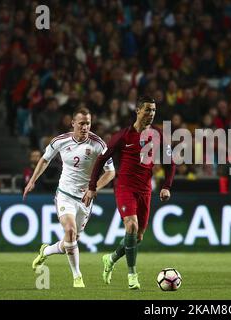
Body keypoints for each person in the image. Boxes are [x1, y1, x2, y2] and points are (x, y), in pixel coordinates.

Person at [83, 95, 176, 290]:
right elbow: (101, 160)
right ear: (138, 111)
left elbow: (170, 163)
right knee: (131, 226)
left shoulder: (158, 135)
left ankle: (111, 258)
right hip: (125, 187)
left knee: (138, 236)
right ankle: (132, 275)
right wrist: (92, 187)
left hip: (145, 189)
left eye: (153, 111)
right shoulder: (123, 136)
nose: (151, 114)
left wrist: (166, 185)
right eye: (147, 110)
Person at [23, 107, 115, 288]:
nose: (85, 127)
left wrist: (93, 188)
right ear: (72, 123)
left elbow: (111, 172)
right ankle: (77, 276)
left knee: (70, 242)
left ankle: (46, 251)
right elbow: (44, 159)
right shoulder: (60, 141)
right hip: (64, 195)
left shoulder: (99, 144)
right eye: (81, 123)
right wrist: (32, 181)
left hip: (85, 199)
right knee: (70, 231)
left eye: (88, 123)